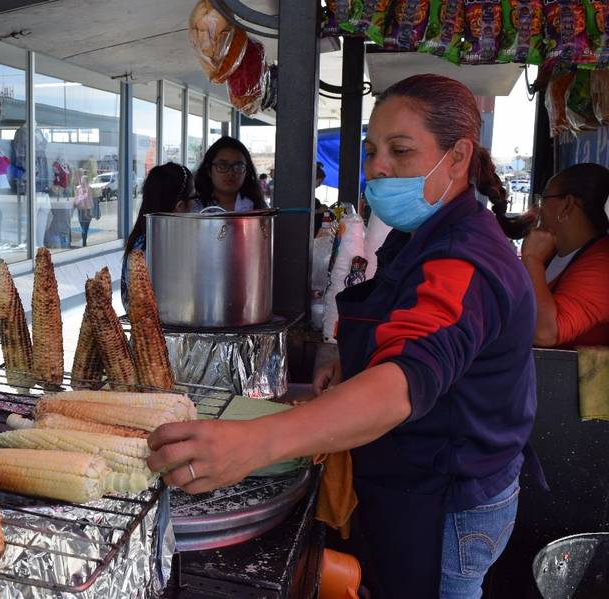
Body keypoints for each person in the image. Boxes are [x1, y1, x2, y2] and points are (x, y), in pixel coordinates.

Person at [147, 75, 540, 598]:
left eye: (400, 151)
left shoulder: (464, 258)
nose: (378, 167)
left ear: (459, 156)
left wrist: (253, 443)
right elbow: (398, 323)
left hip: (449, 497)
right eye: (372, 150)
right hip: (415, 471)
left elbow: (405, 381)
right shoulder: (424, 230)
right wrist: (343, 354)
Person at [517, 163, 609, 348]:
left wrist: (532, 260)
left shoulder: (601, 267)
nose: (539, 210)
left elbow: (544, 332)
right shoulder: (552, 253)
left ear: (567, 205)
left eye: (543, 200)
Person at [121, 163, 194, 311]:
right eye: (194, 197)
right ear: (180, 206)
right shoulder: (168, 250)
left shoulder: (139, 241)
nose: (196, 205)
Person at [191, 136, 266, 212]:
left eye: (238, 167)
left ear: (247, 171)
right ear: (208, 170)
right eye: (223, 166)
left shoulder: (258, 208)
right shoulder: (191, 208)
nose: (230, 173)